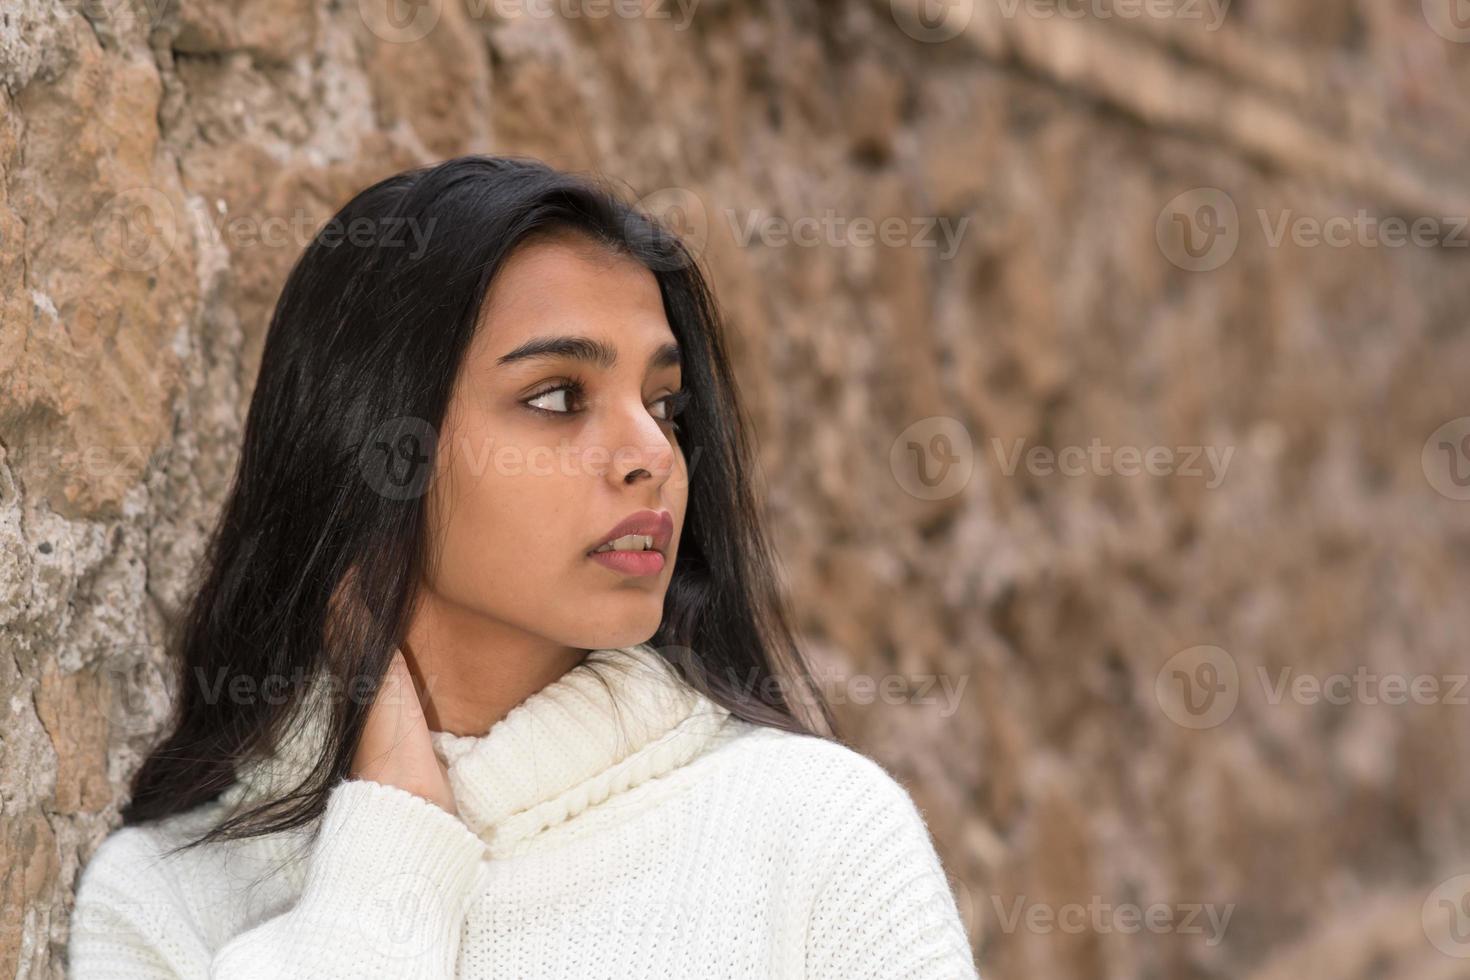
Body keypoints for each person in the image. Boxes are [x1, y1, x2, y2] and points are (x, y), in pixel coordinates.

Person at [67, 155, 980, 979]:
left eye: (664, 404)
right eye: (556, 396)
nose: (650, 455)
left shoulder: (818, 833)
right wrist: (387, 840)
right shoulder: (170, 901)